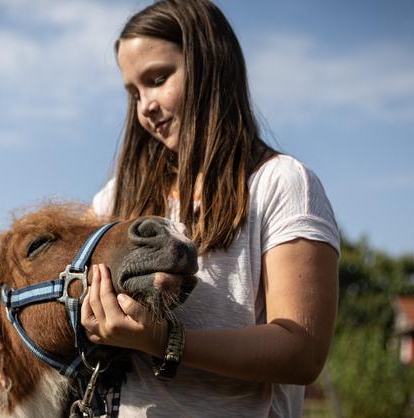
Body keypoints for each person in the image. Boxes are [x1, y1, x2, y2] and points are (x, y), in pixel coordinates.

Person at [79, 0, 340, 416]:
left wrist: (167, 342)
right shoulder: (113, 200)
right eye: (133, 92)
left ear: (210, 65)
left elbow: (302, 352)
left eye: (158, 79)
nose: (144, 105)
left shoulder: (281, 184)